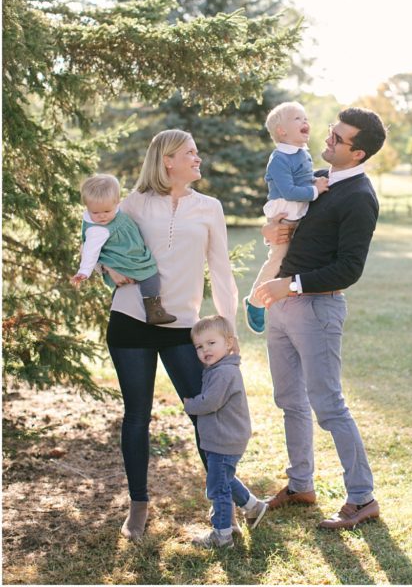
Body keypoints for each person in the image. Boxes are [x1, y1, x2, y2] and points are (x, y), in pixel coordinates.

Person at [253, 106, 387, 530]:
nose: (327, 140)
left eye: (338, 138)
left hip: (316, 308)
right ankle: (300, 485)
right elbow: (286, 225)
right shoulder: (313, 182)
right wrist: (270, 232)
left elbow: (350, 269)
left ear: (358, 153)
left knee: (328, 405)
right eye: (330, 132)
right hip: (282, 308)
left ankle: (362, 498)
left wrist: (289, 285)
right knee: (288, 400)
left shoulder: (360, 198)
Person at [102, 129, 239, 543]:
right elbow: (98, 235)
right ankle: (138, 505)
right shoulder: (134, 203)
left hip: (184, 328)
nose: (199, 159)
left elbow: (221, 271)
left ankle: (224, 507)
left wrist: (228, 331)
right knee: (137, 415)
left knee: (205, 416)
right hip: (130, 320)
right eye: (191, 153)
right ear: (167, 160)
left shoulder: (209, 207)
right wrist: (108, 268)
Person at [183, 315, 269, 548]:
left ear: (228, 343)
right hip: (224, 436)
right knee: (224, 478)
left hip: (224, 438)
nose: (205, 350)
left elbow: (211, 402)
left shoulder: (223, 373)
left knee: (218, 488)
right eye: (199, 346)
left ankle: (222, 535)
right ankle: (253, 506)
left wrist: (190, 404)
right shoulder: (219, 368)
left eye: (211, 343)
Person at [244, 101, 330, 334]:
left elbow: (302, 178)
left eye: (305, 118)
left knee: (294, 259)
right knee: (278, 258)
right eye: (297, 119)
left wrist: (313, 182)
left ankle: (286, 301)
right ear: (282, 131)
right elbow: (289, 191)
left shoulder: (302, 152)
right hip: (284, 214)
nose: (305, 122)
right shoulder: (279, 159)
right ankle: (254, 301)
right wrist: (316, 189)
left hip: (298, 213)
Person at [70, 174, 176, 326]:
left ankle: (121, 305)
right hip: (123, 260)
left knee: (128, 290)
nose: (101, 217)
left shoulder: (117, 206)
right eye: (95, 213)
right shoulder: (97, 230)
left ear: (117, 202)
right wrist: (84, 271)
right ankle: (155, 311)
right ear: (87, 207)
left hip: (127, 252)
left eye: (106, 211)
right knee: (150, 274)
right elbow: (89, 252)